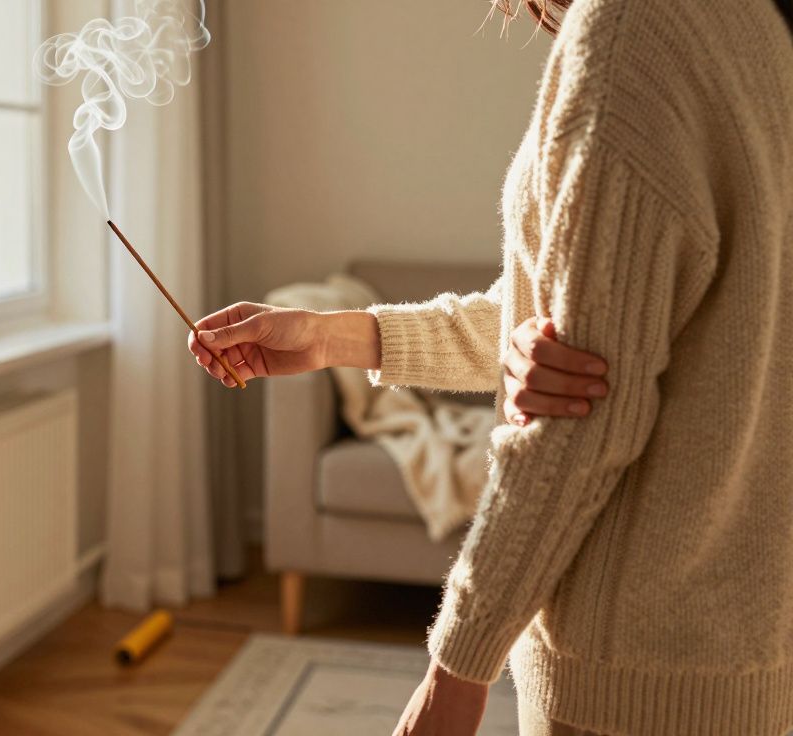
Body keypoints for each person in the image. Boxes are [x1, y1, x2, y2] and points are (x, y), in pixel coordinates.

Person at [188, 0, 793, 733]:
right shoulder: (758, 29)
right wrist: (328, 338)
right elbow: (561, 319)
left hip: (627, 674)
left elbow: (584, 415)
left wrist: (457, 669)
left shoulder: (632, 29)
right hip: (744, 653)